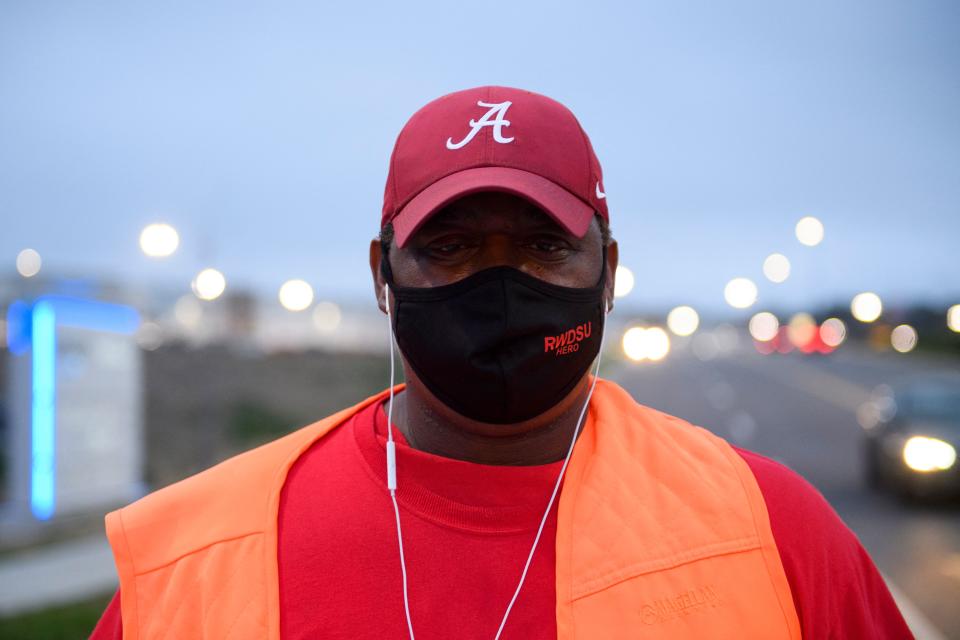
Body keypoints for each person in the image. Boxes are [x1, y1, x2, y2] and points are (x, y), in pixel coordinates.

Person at [90, 85, 911, 639]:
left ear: (609, 274)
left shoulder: (774, 533)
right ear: (383, 277)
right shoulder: (192, 566)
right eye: (447, 248)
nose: (500, 285)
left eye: (545, 246)